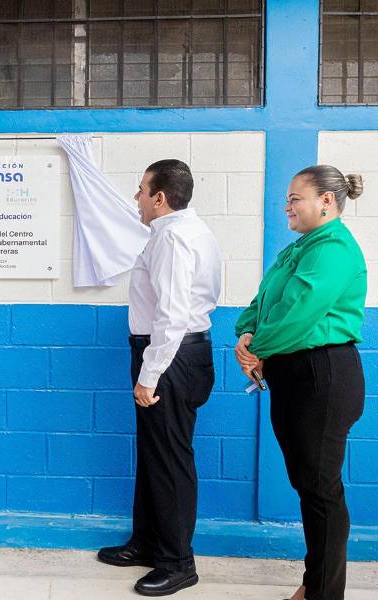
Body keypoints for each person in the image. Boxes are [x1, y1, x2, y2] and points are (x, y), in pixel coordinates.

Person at [234, 165, 367, 600]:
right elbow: (264, 301)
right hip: (295, 374)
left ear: (326, 201)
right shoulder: (301, 248)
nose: (287, 206)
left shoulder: (333, 249)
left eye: (295, 198)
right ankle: (315, 584)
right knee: (310, 487)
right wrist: (247, 333)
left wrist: (258, 349)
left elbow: (298, 312)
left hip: (322, 375)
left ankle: (322, 592)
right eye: (287, 199)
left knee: (321, 491)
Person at [97, 160, 221, 596]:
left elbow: (172, 315)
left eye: (141, 190)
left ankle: (177, 563)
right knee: (155, 455)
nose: (137, 198)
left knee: (169, 460)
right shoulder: (188, 231)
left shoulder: (172, 237)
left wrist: (150, 374)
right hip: (177, 354)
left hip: (169, 356)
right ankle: (148, 543)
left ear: (160, 198)